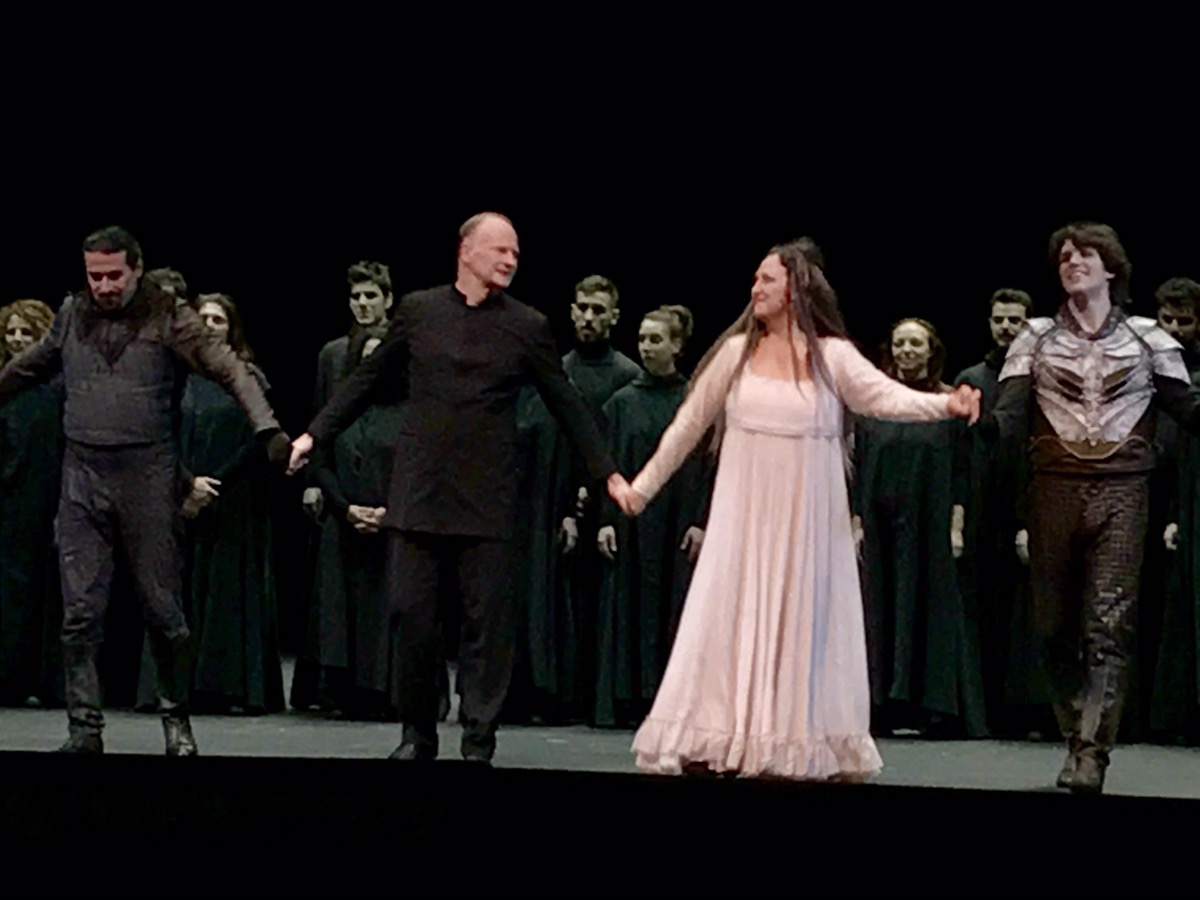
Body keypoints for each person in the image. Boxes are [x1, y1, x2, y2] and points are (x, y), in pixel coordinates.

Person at [615, 238, 980, 780]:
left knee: (801, 624)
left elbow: (883, 397)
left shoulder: (832, 357)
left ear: (796, 288)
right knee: (731, 618)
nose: (755, 288)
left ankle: (792, 739)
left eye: (766, 279)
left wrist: (945, 404)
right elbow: (688, 425)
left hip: (807, 526)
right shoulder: (736, 354)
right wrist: (640, 490)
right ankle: (725, 734)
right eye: (756, 278)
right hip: (744, 522)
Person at [288, 212, 632, 763]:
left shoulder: (526, 325)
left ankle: (478, 739)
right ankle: (417, 733)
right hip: (420, 491)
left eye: (516, 252)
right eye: (500, 249)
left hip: (486, 498)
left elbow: (566, 403)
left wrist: (607, 472)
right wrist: (314, 435)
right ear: (466, 251)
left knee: (485, 628)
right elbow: (366, 381)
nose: (511, 259)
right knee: (411, 616)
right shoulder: (420, 311)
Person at [0, 226, 289, 755]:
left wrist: (267, 428)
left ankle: (176, 720)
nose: (104, 286)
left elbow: (230, 370)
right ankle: (84, 728)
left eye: (114, 275)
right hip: (83, 473)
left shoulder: (168, 316)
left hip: (147, 475)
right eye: (95, 276)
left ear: (136, 268)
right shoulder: (72, 313)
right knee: (80, 612)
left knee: (162, 609)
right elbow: (29, 365)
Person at [988, 223, 1200, 793]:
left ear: (1111, 268)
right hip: (1053, 489)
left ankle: (1091, 753)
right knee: (1051, 628)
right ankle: (1075, 734)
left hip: (1122, 489)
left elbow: (1187, 408)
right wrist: (973, 421)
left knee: (1109, 623)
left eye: (1085, 254)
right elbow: (1008, 414)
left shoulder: (1149, 338)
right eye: (1064, 255)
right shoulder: (1034, 338)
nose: (1072, 261)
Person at [138, 293, 285, 714]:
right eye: (202, 318)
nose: (209, 325)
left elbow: (259, 440)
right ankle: (174, 686)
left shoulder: (248, 377)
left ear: (231, 328)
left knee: (227, 591)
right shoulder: (175, 376)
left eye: (218, 319)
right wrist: (188, 483)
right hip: (180, 495)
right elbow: (158, 432)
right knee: (178, 589)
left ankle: (227, 688)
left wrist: (213, 484)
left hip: (234, 499)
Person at [854, 318, 987, 738]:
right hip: (880, 526)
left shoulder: (948, 405)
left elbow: (963, 472)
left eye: (915, 343)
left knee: (931, 608)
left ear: (931, 351)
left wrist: (957, 525)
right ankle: (881, 706)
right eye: (900, 343)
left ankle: (932, 707)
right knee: (880, 609)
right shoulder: (873, 403)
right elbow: (858, 466)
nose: (906, 350)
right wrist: (856, 520)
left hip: (930, 525)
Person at [593, 305, 711, 728]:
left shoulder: (696, 403)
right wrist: (606, 520)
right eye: (642, 338)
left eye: (656, 339)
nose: (645, 346)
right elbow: (607, 466)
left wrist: (702, 521)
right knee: (630, 604)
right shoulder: (621, 403)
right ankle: (629, 697)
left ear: (677, 346)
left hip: (679, 520)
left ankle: (673, 700)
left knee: (675, 606)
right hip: (633, 523)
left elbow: (711, 467)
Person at [293, 261, 395, 710]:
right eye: (356, 297)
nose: (363, 304)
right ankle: (330, 683)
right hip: (340, 476)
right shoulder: (333, 355)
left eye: (371, 296)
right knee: (334, 593)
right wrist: (313, 480)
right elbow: (321, 417)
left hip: (383, 474)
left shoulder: (399, 349)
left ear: (388, 300)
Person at [951, 289, 1044, 737]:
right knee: (982, 607)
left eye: (1015, 321)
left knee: (1026, 613)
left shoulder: (1043, 377)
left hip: (1029, 502)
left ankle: (1025, 711)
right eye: (999, 320)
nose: (1006, 328)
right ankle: (982, 713)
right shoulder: (971, 378)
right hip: (981, 504)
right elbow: (957, 450)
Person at [0, 299, 64, 707]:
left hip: (51, 499)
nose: (18, 339)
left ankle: (48, 681)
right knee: (10, 593)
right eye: (11, 332)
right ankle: (9, 678)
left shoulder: (59, 388)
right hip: (8, 503)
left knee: (51, 591)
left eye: (26, 331)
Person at [1149, 277, 1200, 741]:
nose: (1175, 329)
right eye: (1167, 319)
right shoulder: (1143, 363)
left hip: (1185, 497)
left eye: (1184, 321)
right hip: (1143, 490)